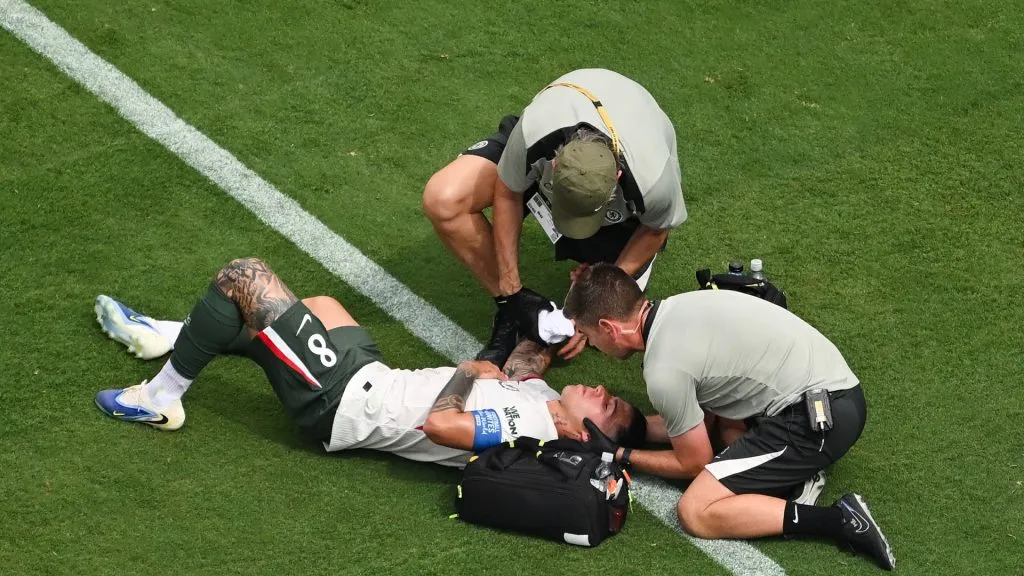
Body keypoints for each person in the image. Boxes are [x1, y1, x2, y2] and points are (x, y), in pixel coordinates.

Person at [92, 257, 645, 467]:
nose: (601, 388)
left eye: (608, 403)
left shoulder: (528, 427)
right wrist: (558, 330)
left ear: (581, 434)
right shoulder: (544, 405)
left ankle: (160, 399)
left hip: (343, 405)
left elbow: (442, 424)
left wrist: (467, 371)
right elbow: (522, 367)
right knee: (318, 308)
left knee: (245, 279)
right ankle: (176, 336)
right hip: (370, 378)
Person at [562, 263, 896, 571]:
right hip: (835, 390)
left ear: (608, 327)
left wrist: (621, 455)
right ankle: (794, 474)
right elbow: (701, 422)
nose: (592, 345)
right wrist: (632, 430)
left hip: (819, 421)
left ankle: (840, 520)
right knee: (724, 425)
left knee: (696, 511)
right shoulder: (681, 306)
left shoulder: (664, 370)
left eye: (588, 336)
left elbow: (694, 462)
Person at [422, 68, 688, 366]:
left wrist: (598, 290)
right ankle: (513, 316)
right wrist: (512, 292)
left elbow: (655, 230)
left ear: (617, 177)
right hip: (553, 129)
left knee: (607, 313)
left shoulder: (654, 183)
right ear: (554, 165)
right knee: (443, 199)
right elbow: (508, 191)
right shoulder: (535, 132)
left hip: (625, 216)